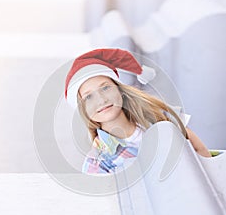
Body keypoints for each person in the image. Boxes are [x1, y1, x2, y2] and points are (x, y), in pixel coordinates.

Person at [65, 48, 211, 174]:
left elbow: (199, 150)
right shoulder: (98, 162)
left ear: (119, 90)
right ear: (83, 110)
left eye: (105, 88)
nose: (102, 100)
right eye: (89, 97)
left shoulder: (156, 114)